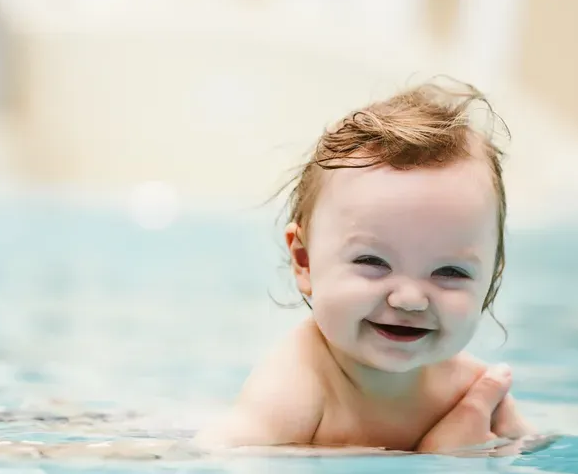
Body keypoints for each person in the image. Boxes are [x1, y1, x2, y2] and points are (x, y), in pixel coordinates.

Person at [195, 77, 534, 454]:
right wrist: (441, 460)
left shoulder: (473, 395)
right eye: (372, 262)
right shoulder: (295, 392)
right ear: (304, 261)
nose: (409, 299)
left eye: (450, 272)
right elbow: (214, 458)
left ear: (492, 276)